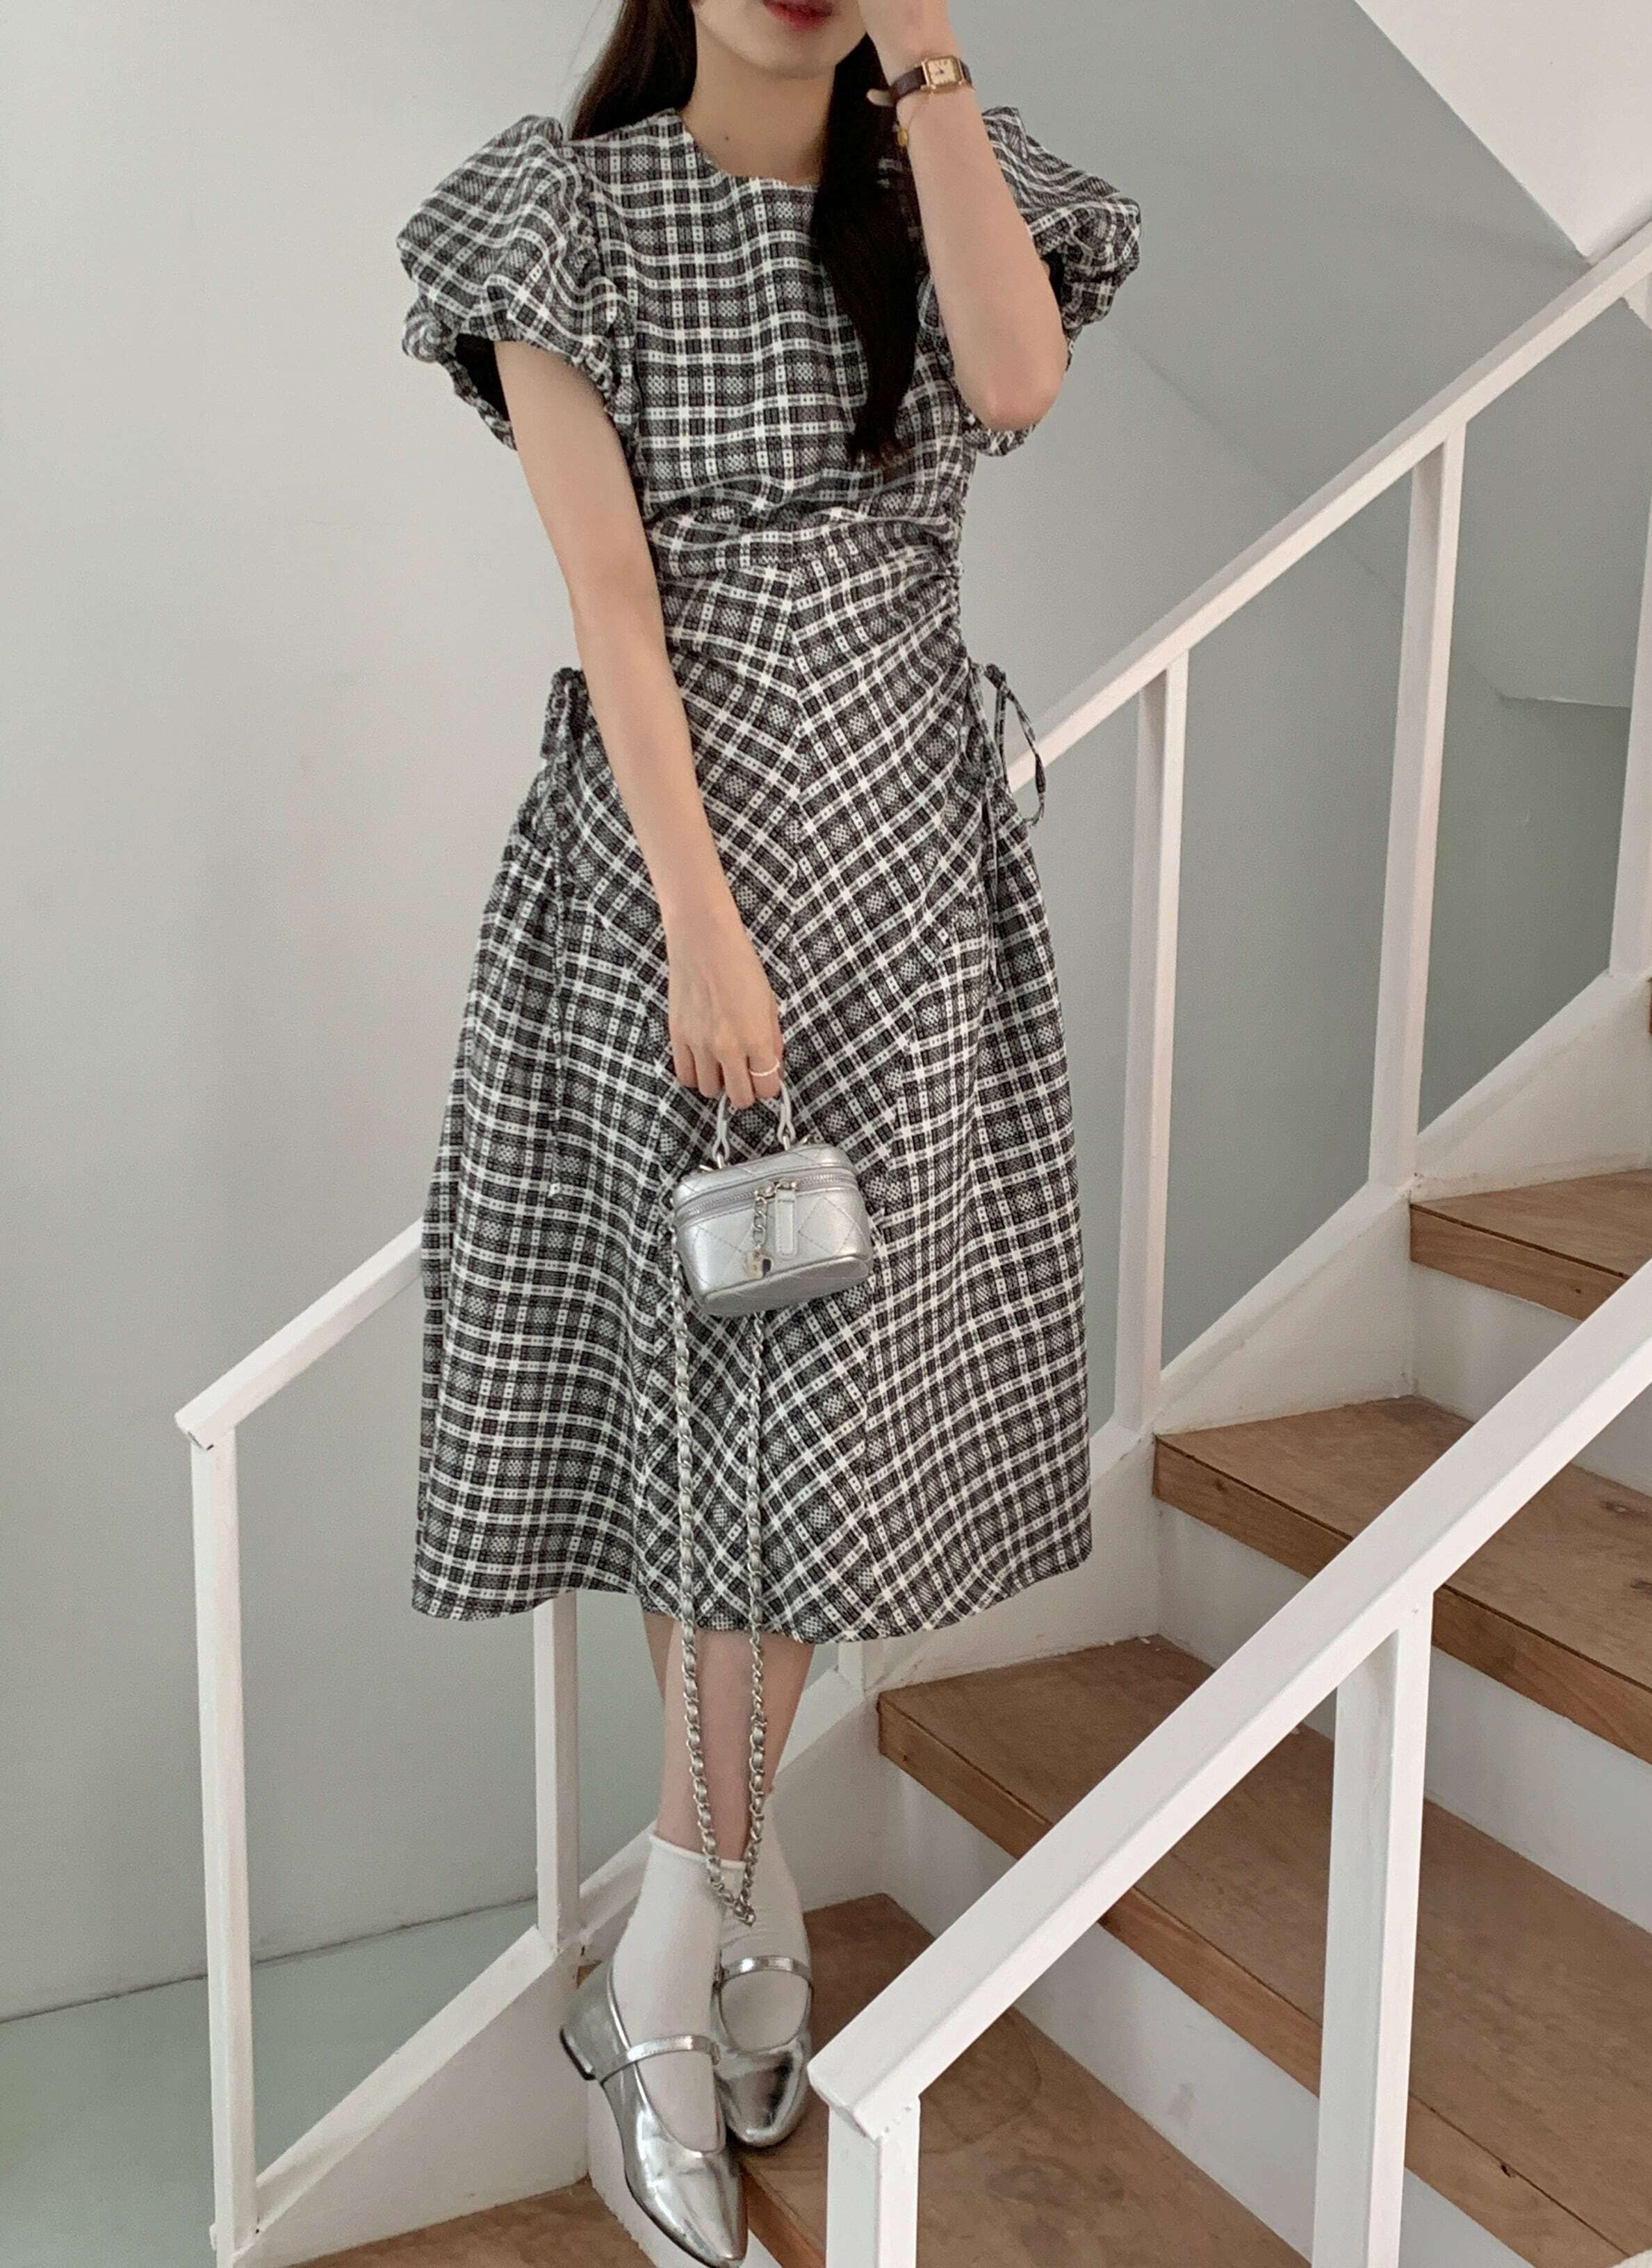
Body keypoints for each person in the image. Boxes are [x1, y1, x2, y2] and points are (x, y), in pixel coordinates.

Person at [395, 3, 1141, 2259]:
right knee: (717, 1415)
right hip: (673, 885)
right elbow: (612, 602)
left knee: (806, 1419)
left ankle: (693, 1923)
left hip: (906, 868)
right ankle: (681, 1953)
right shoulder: (561, 208)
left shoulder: (944, 183)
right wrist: (709, 935)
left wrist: (928, 61)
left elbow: (1017, 383)